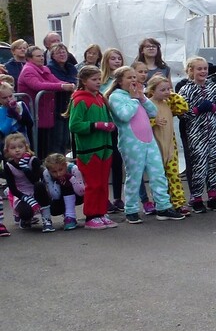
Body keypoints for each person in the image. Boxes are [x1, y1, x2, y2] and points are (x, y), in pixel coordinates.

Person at [106, 67, 184, 224]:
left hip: (149, 141)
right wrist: (135, 99)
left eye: (135, 77)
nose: (134, 80)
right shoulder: (116, 97)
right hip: (132, 142)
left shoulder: (137, 96)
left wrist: (141, 98)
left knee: (158, 174)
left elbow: (154, 111)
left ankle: (163, 207)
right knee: (134, 176)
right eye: (129, 78)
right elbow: (124, 115)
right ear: (120, 81)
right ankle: (131, 209)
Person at [65, 65, 117, 229]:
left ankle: (101, 212)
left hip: (105, 147)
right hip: (89, 149)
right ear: (84, 81)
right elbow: (74, 125)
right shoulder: (79, 99)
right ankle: (91, 215)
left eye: (99, 79)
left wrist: (110, 125)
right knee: (93, 184)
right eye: (94, 79)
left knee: (102, 183)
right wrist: (97, 125)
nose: (98, 82)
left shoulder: (100, 98)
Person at [180, 56, 216, 212]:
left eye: (205, 68)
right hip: (196, 133)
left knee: (213, 163)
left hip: (213, 131)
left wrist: (213, 107)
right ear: (191, 71)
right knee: (199, 164)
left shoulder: (214, 87)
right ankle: (196, 197)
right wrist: (197, 110)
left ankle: (212, 194)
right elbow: (181, 112)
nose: (203, 71)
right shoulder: (186, 89)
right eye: (199, 68)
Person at [145, 74, 191, 215]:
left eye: (168, 89)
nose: (167, 92)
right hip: (155, 146)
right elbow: (141, 124)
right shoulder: (147, 104)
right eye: (163, 90)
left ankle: (178, 203)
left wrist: (172, 95)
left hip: (170, 145)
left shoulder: (169, 102)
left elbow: (184, 108)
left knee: (174, 176)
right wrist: (154, 122)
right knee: (158, 177)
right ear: (152, 91)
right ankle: (162, 202)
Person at [16, 45, 74, 156]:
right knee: (39, 144)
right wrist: (62, 87)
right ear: (29, 58)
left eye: (42, 55)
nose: (42, 58)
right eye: (38, 56)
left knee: (49, 142)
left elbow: (55, 80)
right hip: (34, 114)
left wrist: (68, 85)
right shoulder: (28, 70)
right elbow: (37, 85)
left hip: (45, 113)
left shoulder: (45, 69)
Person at [3, 133, 56, 231]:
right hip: (22, 194)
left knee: (39, 185)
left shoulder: (33, 160)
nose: (17, 150)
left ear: (26, 147)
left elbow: (35, 180)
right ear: (7, 150)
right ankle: (26, 218)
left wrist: (25, 168)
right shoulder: (8, 166)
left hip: (37, 190)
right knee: (25, 212)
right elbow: (13, 188)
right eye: (13, 148)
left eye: (20, 147)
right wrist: (26, 199)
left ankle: (47, 219)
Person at [40, 153, 85, 229]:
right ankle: (66, 214)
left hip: (77, 195)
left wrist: (71, 178)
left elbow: (81, 192)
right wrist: (58, 182)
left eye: (61, 169)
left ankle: (71, 217)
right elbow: (55, 196)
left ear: (65, 165)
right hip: (58, 198)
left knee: (67, 184)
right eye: (54, 172)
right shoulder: (46, 173)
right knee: (54, 210)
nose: (58, 174)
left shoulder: (74, 169)